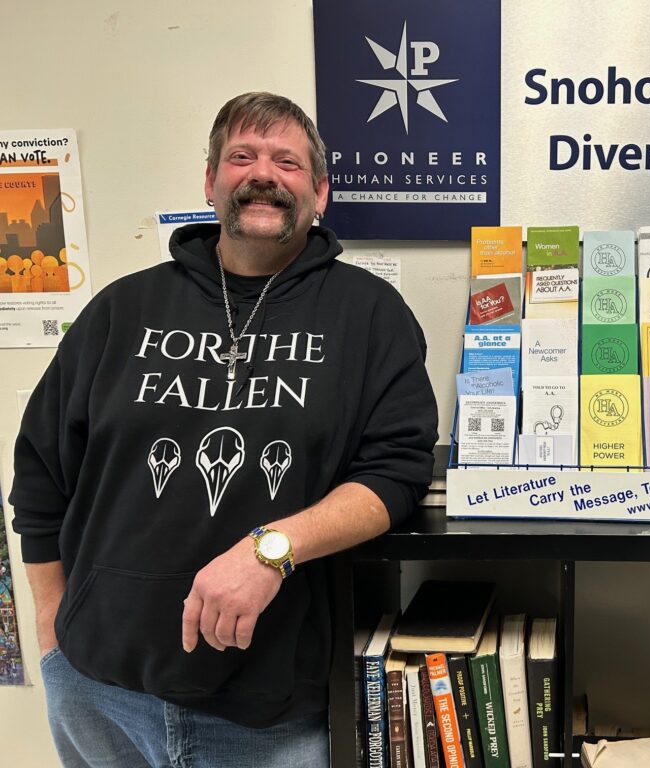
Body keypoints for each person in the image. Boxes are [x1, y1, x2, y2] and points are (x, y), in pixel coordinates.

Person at [11, 92, 439, 767]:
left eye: (288, 162)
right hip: (99, 696)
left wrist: (272, 548)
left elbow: (397, 475)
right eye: (241, 156)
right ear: (210, 181)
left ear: (320, 193)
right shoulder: (122, 309)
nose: (262, 173)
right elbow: (39, 473)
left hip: (268, 715)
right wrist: (51, 634)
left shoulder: (370, 315)